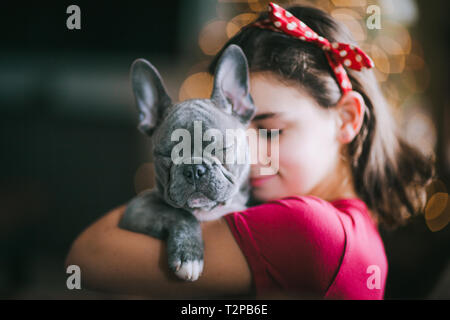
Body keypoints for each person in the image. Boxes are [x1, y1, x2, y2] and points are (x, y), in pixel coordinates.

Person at [65, 3, 435, 299]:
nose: (247, 153)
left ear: (347, 119)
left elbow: (88, 257)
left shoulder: (311, 228)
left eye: (271, 131)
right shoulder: (356, 229)